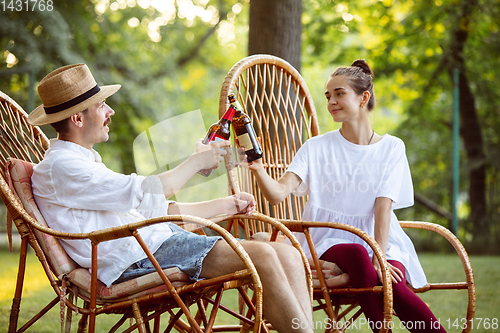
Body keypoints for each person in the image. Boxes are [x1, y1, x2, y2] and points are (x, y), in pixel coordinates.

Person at [28, 64, 313, 333]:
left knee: (281, 250)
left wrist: (227, 205)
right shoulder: (63, 167)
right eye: (102, 106)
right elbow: (149, 191)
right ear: (77, 118)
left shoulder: (81, 163)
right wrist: (194, 161)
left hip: (154, 245)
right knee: (262, 254)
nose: (110, 111)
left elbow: (154, 210)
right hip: (136, 260)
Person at [242, 60, 446, 333]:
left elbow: (383, 207)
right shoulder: (316, 147)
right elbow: (278, 194)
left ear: (364, 98)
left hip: (380, 238)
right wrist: (258, 169)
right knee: (359, 253)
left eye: (339, 93)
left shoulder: (392, 148)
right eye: (328, 96)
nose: (331, 102)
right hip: (326, 239)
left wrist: (380, 255)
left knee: (390, 279)